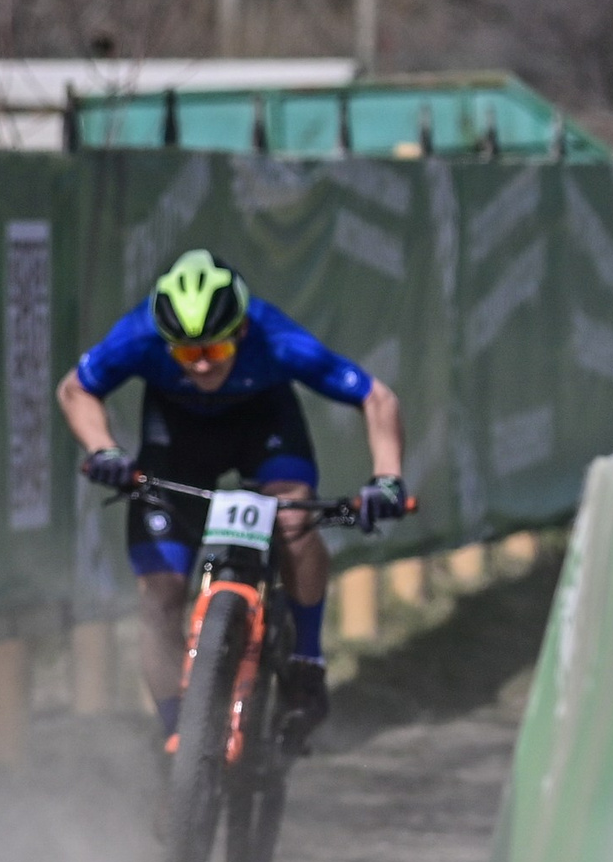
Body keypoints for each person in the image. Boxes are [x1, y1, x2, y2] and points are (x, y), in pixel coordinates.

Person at [56, 249, 405, 750]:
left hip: (262, 425)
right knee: (159, 596)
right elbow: (76, 389)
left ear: (240, 332)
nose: (200, 366)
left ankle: (307, 659)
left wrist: (388, 477)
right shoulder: (140, 336)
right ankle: (179, 735)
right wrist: (103, 449)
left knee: (293, 518)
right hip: (177, 439)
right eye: (184, 354)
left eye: (214, 353)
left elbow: (377, 398)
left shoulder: (275, 339)